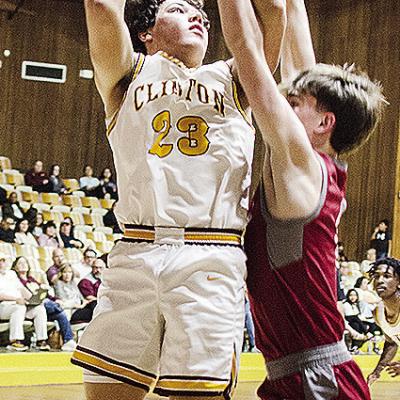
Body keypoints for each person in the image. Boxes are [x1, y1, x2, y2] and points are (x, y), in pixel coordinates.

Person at [71, 1, 285, 399]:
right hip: (135, 253)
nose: (197, 16)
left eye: (199, 12)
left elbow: (273, 15)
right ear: (145, 32)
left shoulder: (234, 77)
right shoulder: (127, 72)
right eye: (178, 7)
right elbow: (101, 6)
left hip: (210, 256)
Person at [218, 0, 385, 399]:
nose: (282, 102)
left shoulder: (299, 161)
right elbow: (296, 50)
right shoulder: (318, 165)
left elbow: (245, 48)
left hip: (316, 378)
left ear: (325, 123)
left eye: (293, 104)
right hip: (306, 373)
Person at [11, 256, 77, 352]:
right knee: (52, 306)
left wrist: (56, 299)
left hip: (42, 304)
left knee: (60, 314)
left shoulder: (31, 279)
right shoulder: (16, 280)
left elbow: (43, 293)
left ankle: (68, 340)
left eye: (25, 263)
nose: (23, 265)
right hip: (29, 306)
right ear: (15, 267)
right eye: (20, 263)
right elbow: (25, 295)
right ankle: (57, 307)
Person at [0, 253, 50, 351]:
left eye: (3, 261)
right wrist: (16, 300)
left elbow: (21, 288)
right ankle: (15, 341)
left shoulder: (11, 274)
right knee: (19, 308)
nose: (1, 263)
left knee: (39, 308)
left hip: (20, 304)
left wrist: (33, 299)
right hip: (4, 306)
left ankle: (41, 340)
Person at [367, 257, 400, 385]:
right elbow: (392, 342)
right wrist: (377, 371)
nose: (380, 281)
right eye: (376, 276)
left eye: (387, 276)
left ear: (398, 281)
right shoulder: (378, 312)